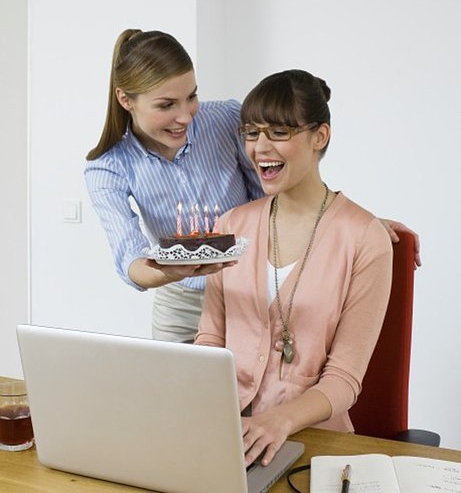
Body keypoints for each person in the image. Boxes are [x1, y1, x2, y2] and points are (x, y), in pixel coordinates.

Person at [85, 29, 419, 343]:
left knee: (256, 393)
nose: (186, 116)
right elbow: (131, 259)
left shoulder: (226, 120)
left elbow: (283, 186)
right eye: (166, 105)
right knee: (176, 397)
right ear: (126, 100)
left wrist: (354, 225)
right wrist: (175, 270)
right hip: (182, 300)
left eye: (191, 96)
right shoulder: (107, 167)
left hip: (250, 284)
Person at [195, 69, 394, 468]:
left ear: (320, 136)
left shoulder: (364, 239)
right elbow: (210, 341)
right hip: (227, 436)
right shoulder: (230, 226)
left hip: (314, 445)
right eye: (251, 133)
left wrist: (277, 421)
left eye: (279, 133)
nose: (259, 147)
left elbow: (344, 379)